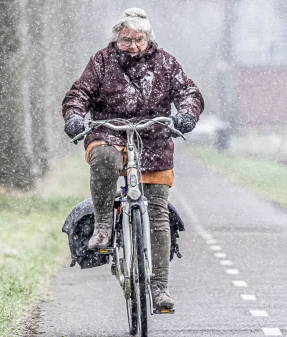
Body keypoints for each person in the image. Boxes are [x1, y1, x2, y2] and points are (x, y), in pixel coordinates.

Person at [61, 8, 204, 310]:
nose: (133, 45)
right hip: (109, 132)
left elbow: (189, 92)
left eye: (139, 39)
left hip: (153, 138)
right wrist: (75, 115)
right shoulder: (101, 62)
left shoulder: (165, 63)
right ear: (116, 38)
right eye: (127, 40)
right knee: (103, 158)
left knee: (157, 212)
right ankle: (103, 226)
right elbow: (79, 93)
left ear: (148, 38)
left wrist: (187, 115)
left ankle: (160, 289)